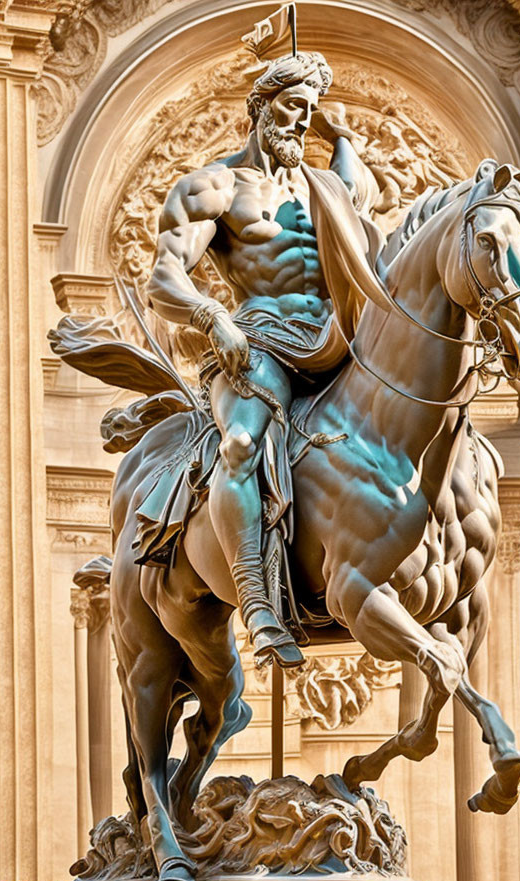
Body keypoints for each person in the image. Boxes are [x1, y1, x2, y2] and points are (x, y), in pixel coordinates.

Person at [145, 50, 385, 667]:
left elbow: (368, 202)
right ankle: (255, 603)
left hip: (336, 336)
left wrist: (343, 136)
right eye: (290, 106)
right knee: (242, 445)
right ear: (260, 108)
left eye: (310, 110)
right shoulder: (216, 187)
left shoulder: (326, 185)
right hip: (257, 338)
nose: (301, 121)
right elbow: (166, 275)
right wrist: (211, 316)